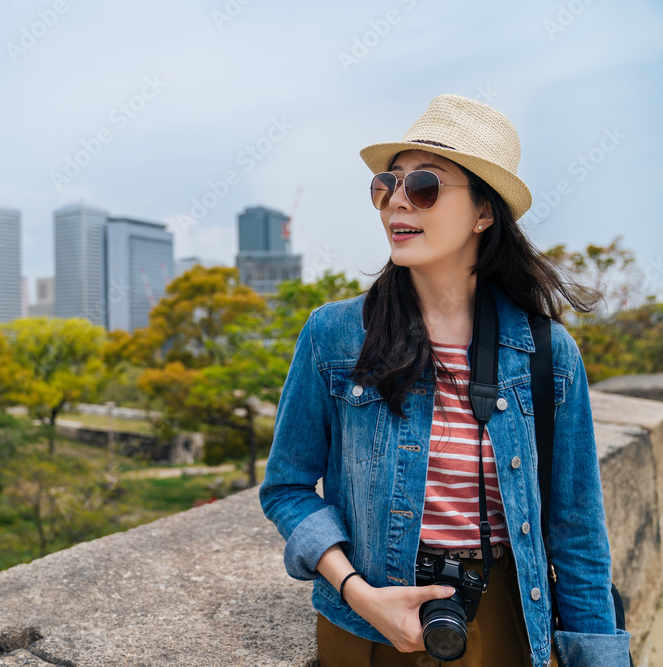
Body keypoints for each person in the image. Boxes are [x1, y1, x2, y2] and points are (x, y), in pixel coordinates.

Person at [258, 94, 632, 667]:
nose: (396, 203)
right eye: (388, 185)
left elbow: (577, 534)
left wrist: (599, 656)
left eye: (425, 186)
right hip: (364, 622)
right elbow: (286, 487)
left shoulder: (547, 355)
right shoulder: (334, 336)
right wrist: (358, 591)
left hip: (501, 617)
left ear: (484, 212)